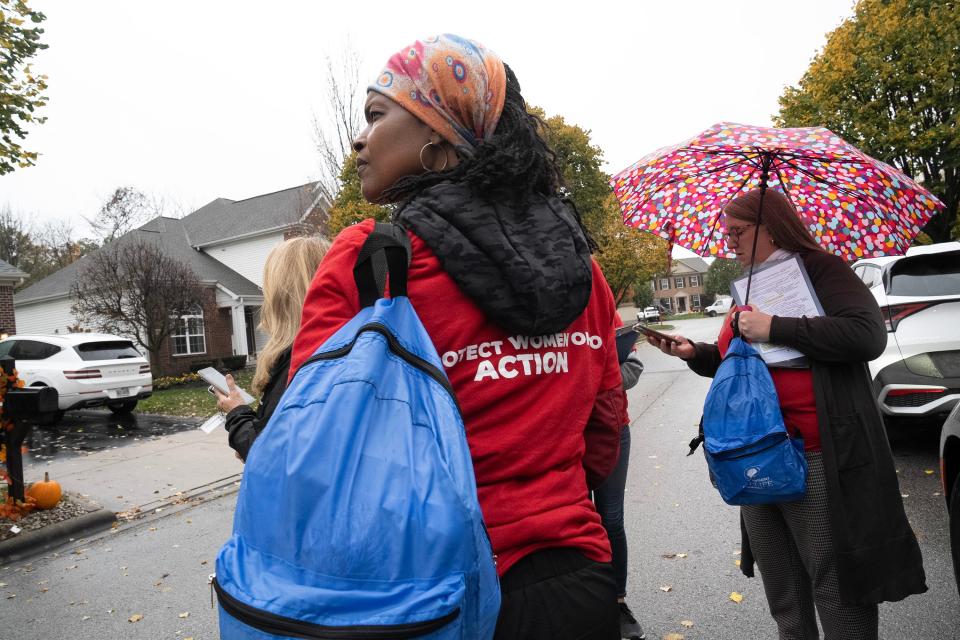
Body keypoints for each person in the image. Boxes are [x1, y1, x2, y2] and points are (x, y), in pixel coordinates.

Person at [289, 34, 627, 640]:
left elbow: (310, 441)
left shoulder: (371, 261)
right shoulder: (583, 269)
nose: (358, 140)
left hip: (426, 592)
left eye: (375, 114)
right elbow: (605, 430)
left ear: (437, 133)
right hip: (573, 581)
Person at [649, 188, 926, 640]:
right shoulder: (749, 285)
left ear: (772, 226)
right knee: (785, 594)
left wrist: (775, 326)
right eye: (726, 233)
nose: (730, 242)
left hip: (814, 453)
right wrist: (694, 353)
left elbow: (866, 335)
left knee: (835, 587)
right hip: (754, 455)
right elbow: (744, 366)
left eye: (737, 231)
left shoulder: (822, 270)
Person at [214, 236, 329, 461]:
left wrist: (237, 412)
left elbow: (268, 454)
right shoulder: (342, 344)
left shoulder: (301, 361)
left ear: (282, 294)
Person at [593, 351, 645, 640]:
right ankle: (586, 604)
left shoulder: (603, 310)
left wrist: (589, 377)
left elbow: (633, 368)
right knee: (574, 520)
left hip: (612, 429)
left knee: (610, 519)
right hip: (565, 430)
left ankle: (618, 602)